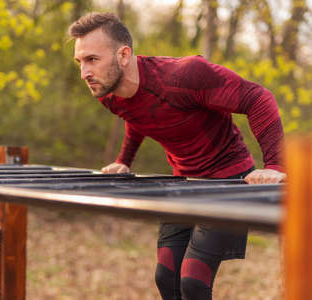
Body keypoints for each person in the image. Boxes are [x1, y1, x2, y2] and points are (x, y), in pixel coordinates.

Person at [69, 12, 286, 300]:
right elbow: (136, 116)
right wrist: (125, 159)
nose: (84, 72)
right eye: (80, 62)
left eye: (92, 59)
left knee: (193, 282)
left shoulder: (184, 76)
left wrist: (274, 165)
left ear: (123, 55)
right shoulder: (110, 94)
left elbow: (258, 98)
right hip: (184, 183)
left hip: (228, 183)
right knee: (166, 277)